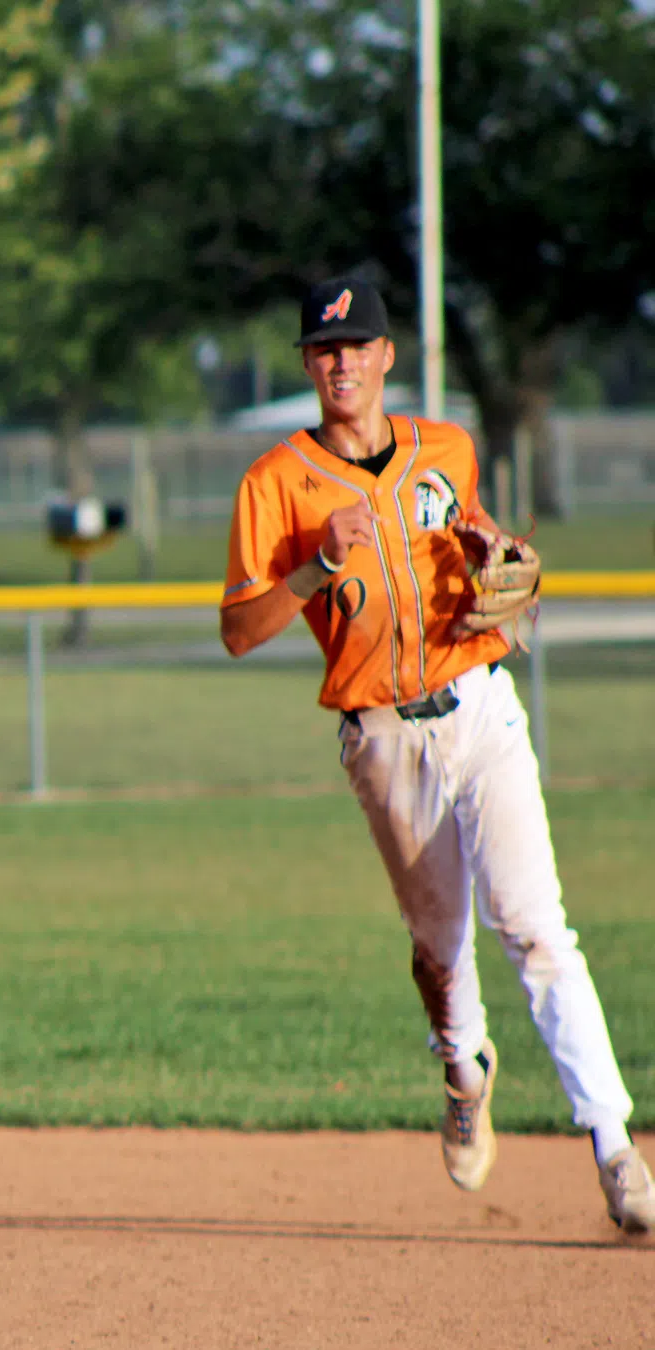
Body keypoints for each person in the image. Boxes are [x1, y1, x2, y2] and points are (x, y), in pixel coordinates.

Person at [219, 276, 651, 1235]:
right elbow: (240, 631)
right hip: (381, 736)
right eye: (324, 348)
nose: (341, 361)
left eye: (357, 345)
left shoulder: (443, 449)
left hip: (481, 710)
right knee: (440, 947)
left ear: (385, 359)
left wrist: (497, 554)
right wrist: (314, 566)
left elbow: (485, 554)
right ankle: (465, 1068)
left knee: (537, 929)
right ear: (308, 364)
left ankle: (616, 1146)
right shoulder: (275, 484)